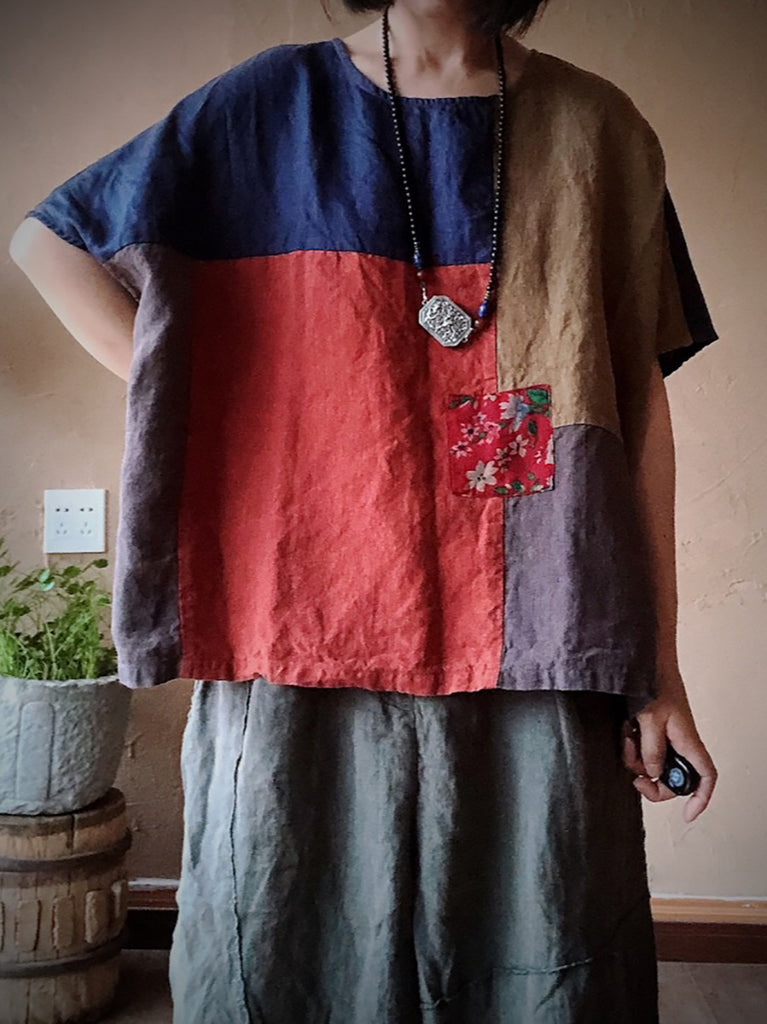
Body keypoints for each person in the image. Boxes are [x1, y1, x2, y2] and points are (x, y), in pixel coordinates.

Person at [9, 1, 720, 1020]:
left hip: (542, 628)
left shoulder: (597, 129)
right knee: (284, 949)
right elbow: (52, 243)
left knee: (540, 941)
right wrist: (214, 408)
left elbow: (634, 412)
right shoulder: (264, 105)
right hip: (299, 618)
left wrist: (660, 668)